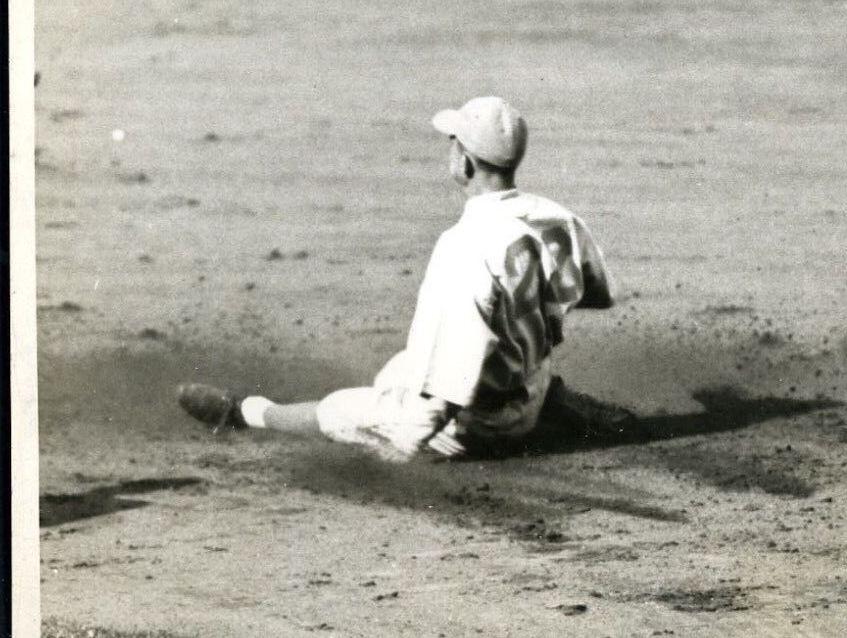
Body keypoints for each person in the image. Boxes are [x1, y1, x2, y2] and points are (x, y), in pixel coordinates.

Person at [176, 96, 635, 461]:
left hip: (480, 427)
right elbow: (597, 293)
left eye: (453, 141)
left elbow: (439, 400)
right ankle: (552, 400)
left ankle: (243, 413)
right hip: (529, 383)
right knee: (396, 371)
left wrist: (402, 446)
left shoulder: (462, 247)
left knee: (340, 409)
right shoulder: (554, 216)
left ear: (466, 163)